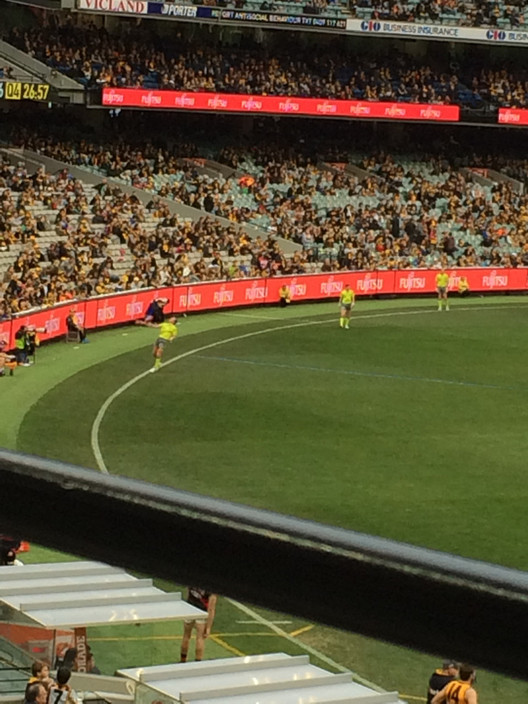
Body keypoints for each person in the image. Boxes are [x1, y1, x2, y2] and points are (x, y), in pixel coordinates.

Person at [180, 587, 217, 663]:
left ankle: (182, 660)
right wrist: (208, 627)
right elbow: (211, 608)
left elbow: (188, 592)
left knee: (186, 635)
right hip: (201, 611)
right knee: (200, 638)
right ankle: (198, 662)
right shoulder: (211, 590)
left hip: (189, 608)